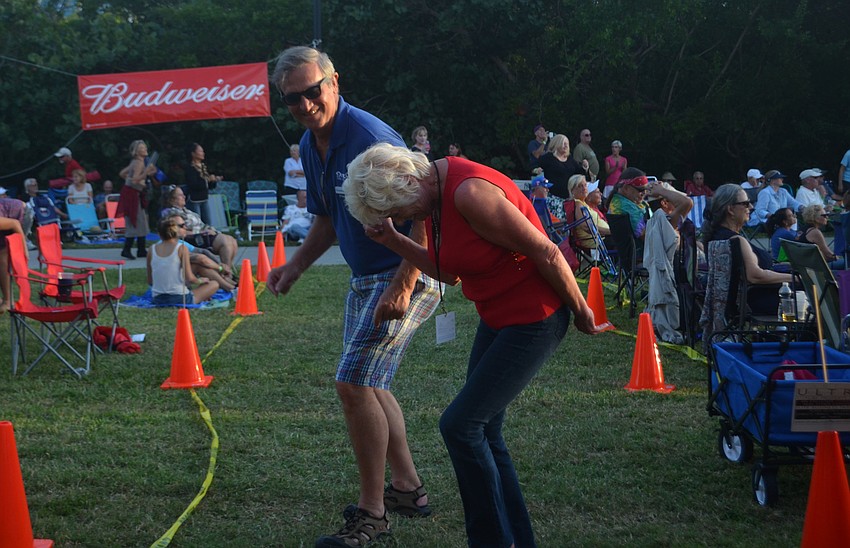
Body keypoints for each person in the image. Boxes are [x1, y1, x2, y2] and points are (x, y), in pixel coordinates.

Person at [343, 143, 600, 547]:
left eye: (398, 210)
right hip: (497, 316)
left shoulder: (468, 193)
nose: (403, 219)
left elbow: (546, 251)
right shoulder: (432, 197)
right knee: (485, 430)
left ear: (408, 181)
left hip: (534, 317)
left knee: (461, 425)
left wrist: (582, 310)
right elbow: (450, 273)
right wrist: (392, 239)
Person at [268, 46, 441, 547]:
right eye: (292, 98)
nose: (304, 104)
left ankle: (373, 514)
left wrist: (404, 283)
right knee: (370, 384)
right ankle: (407, 489)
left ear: (334, 82)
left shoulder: (368, 136)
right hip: (365, 277)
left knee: (353, 384)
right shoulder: (310, 143)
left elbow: (423, 208)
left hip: (404, 272)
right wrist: (294, 266)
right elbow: (326, 217)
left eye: (312, 91)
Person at [701, 184, 792, 314]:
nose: (751, 207)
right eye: (745, 203)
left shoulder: (716, 237)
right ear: (730, 209)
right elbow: (755, 275)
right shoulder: (736, 241)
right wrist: (795, 278)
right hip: (760, 300)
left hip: (745, 300)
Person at [161, 185, 239, 271]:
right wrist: (202, 232)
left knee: (232, 240)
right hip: (196, 238)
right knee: (225, 242)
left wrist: (210, 229)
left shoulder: (185, 210)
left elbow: (201, 224)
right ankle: (226, 271)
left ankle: (226, 270)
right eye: (180, 195)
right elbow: (177, 232)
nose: (184, 196)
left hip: (204, 234)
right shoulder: (172, 214)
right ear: (172, 200)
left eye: (183, 194)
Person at [147, 216, 219, 306]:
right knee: (214, 284)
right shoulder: (181, 248)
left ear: (159, 233)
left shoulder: (151, 249)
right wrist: (201, 280)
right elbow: (190, 278)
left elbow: (150, 281)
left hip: (158, 299)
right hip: (180, 298)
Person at [159, 213, 236, 292]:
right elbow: (200, 259)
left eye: (185, 224)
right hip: (171, 287)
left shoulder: (179, 242)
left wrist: (220, 266)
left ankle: (231, 284)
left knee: (210, 277)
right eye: (181, 226)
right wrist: (220, 268)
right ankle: (231, 288)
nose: (185, 227)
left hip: (175, 282)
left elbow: (202, 252)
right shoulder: (169, 247)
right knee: (200, 266)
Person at [117, 140, 157, 260]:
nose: (145, 149)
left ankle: (141, 249)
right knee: (135, 220)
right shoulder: (139, 163)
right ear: (137, 151)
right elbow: (135, 179)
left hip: (133, 193)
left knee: (141, 220)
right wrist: (145, 173)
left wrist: (133, 180)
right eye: (142, 148)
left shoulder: (135, 162)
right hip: (132, 195)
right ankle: (127, 249)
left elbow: (122, 173)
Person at [538, 133, 589, 199]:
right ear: (556, 144)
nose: (566, 146)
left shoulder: (570, 159)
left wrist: (585, 167)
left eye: (567, 144)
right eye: (563, 143)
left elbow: (579, 173)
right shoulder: (548, 158)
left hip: (568, 196)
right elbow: (534, 167)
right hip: (553, 196)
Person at [0, 190, 27, 313]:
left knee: (2, 257)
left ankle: (7, 301)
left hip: (22, 214)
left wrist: (24, 249)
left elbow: (15, 224)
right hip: (7, 215)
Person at [184, 143, 223, 225]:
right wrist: (207, 180)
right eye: (200, 151)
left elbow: (208, 186)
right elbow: (193, 185)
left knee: (208, 224)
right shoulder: (190, 168)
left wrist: (214, 180)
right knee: (196, 224)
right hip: (194, 200)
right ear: (193, 154)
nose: (203, 153)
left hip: (204, 199)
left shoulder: (203, 167)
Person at [606, 167, 649, 239]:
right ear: (626, 188)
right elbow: (644, 235)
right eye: (641, 189)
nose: (644, 193)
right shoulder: (627, 207)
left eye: (646, 189)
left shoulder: (617, 200)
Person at [568, 175, 609, 249]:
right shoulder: (578, 204)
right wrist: (609, 231)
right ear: (572, 190)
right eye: (580, 186)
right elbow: (585, 226)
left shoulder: (583, 203)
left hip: (602, 238)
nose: (584, 188)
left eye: (585, 185)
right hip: (596, 242)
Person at [798, 204, 844, 270]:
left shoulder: (802, 229)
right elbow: (829, 254)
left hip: (804, 264)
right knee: (846, 263)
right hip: (815, 267)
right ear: (816, 218)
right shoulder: (815, 232)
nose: (827, 217)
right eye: (824, 216)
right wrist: (837, 257)